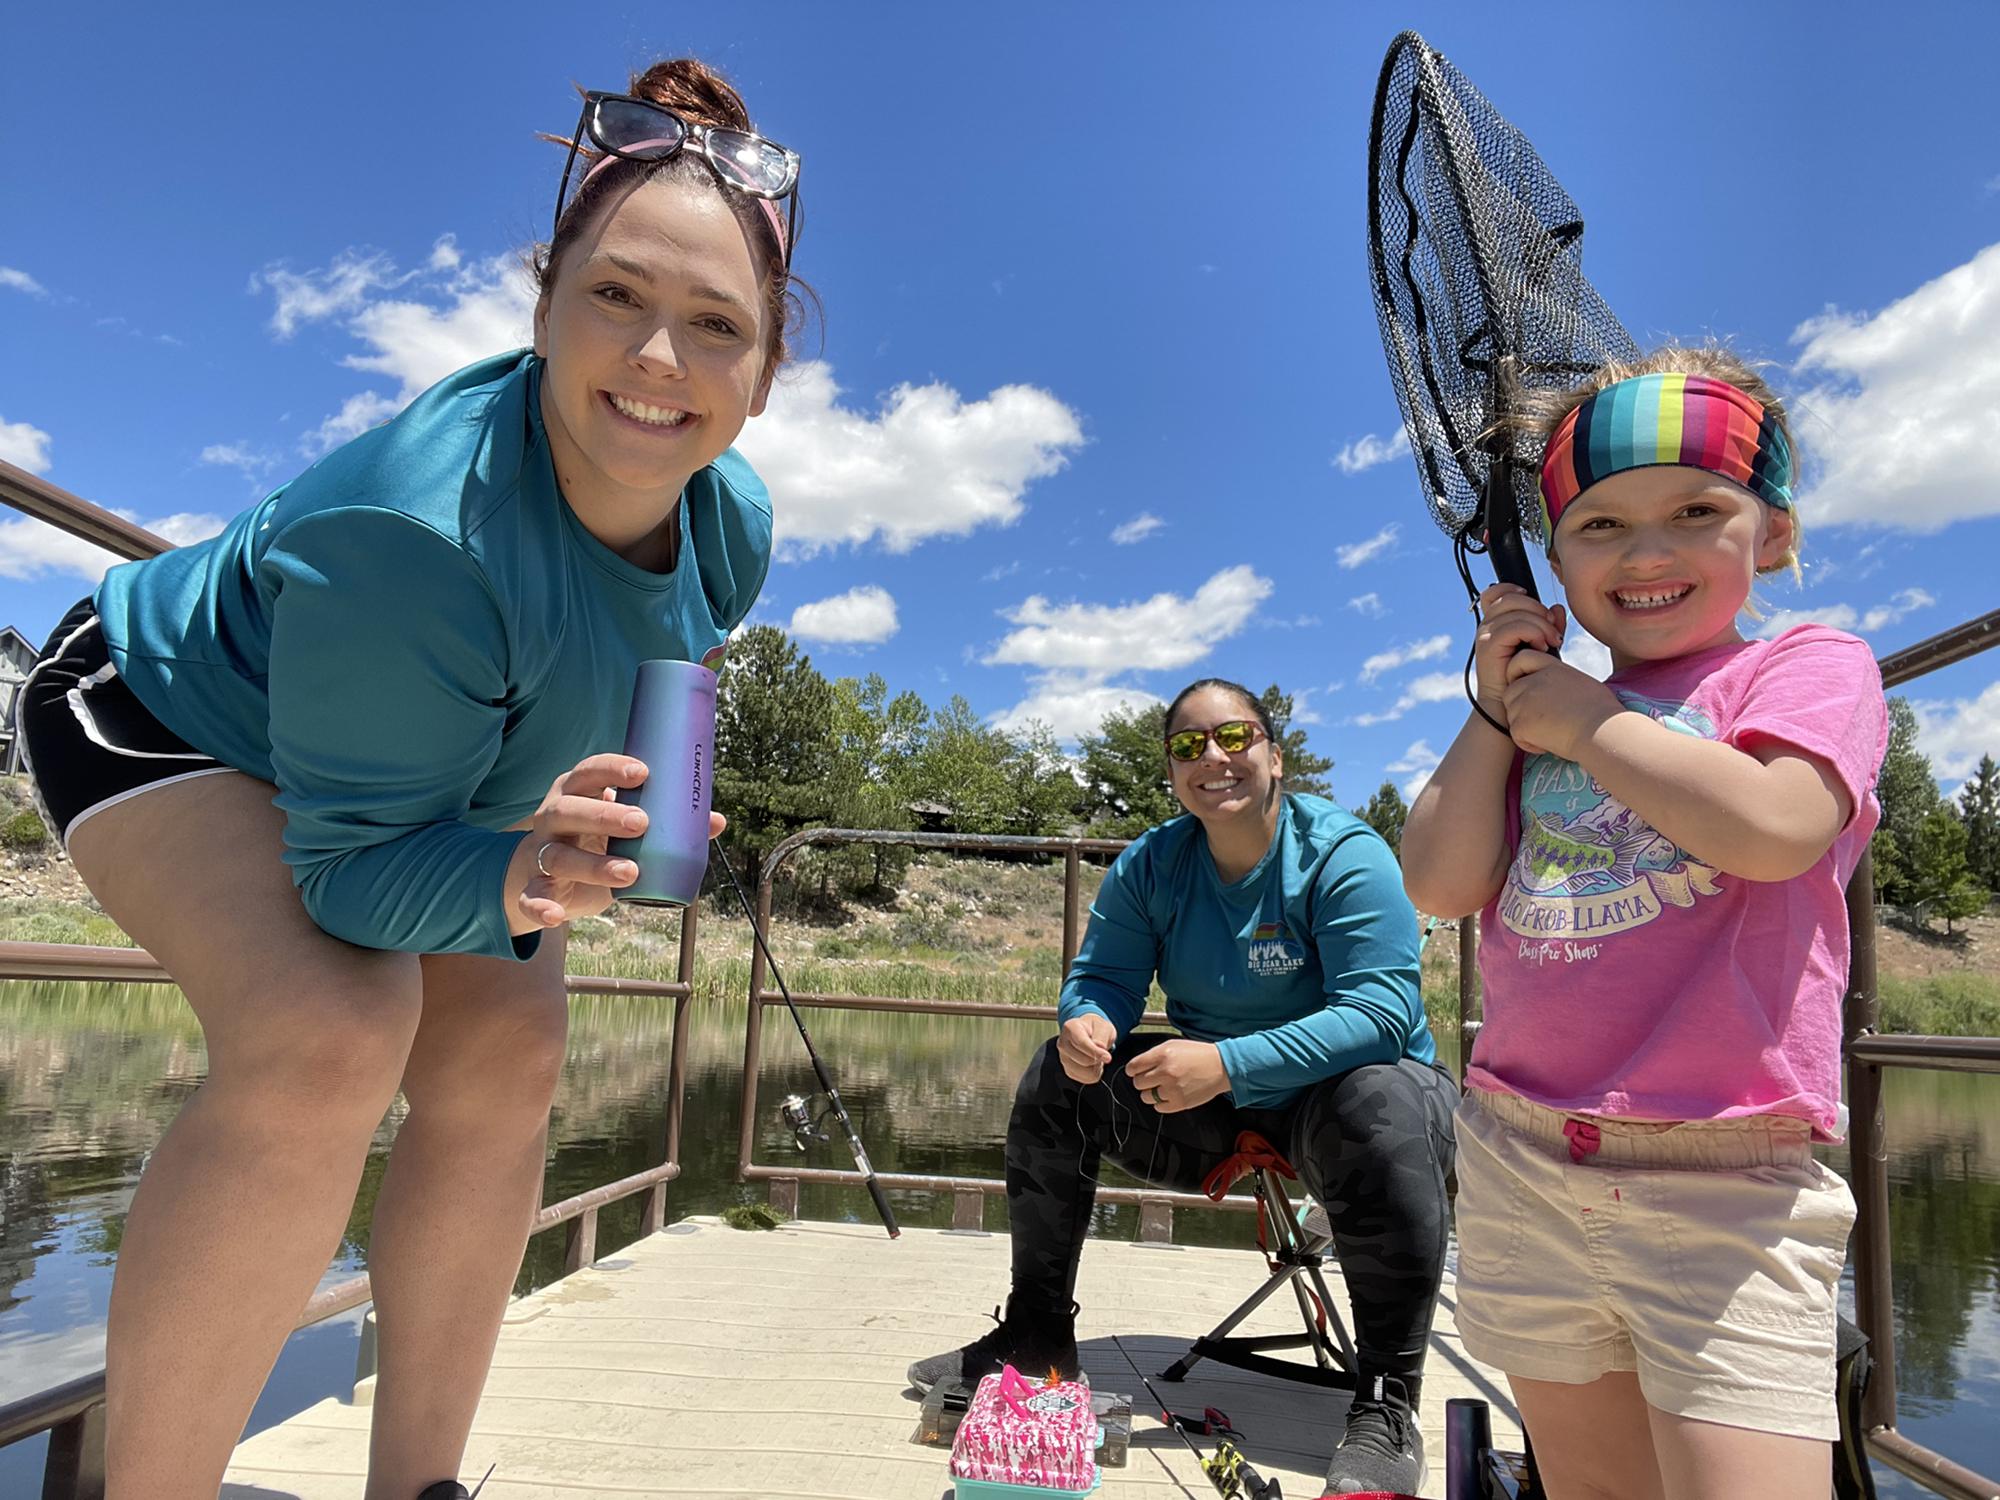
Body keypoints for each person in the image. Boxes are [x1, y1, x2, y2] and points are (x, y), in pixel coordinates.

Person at [14, 58, 803, 1500]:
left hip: (435, 759)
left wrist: (616, 824)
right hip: (170, 714)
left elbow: (654, 656)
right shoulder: (420, 531)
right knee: (330, 1023)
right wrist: (512, 870)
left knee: (512, 1052)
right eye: (617, 297)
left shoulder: (729, 520)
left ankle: (418, 1486)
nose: (658, 363)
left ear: (763, 374)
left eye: (714, 326)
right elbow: (346, 875)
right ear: (545, 296)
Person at [1401, 350, 1888, 1500]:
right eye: (1600, 525)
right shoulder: (1540, 712)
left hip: (1726, 1173)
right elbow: (1437, 877)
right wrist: (1502, 700)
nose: (1646, 551)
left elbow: (1774, 826)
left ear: (1769, 534)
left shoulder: (1805, 666)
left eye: (1693, 511)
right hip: (1521, 1152)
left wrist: (1583, 723)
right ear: (1558, 563)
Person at [909, 677, 1456, 1497]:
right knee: (1054, 1077)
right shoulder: (1153, 863)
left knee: (1378, 1098)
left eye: (1235, 739)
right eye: (1188, 744)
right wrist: (1087, 1023)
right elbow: (1103, 977)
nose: (1213, 758)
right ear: (1171, 769)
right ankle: (1037, 1336)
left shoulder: (1345, 854)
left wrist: (1230, 1063)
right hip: (1218, 1099)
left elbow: (1382, 1014)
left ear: (1275, 755)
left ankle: (1384, 1404)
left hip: (1357, 1104)